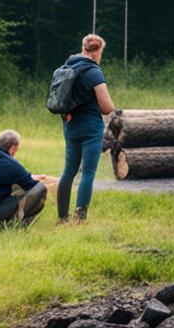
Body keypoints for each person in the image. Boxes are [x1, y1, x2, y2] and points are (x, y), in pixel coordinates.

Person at [58, 34, 114, 223]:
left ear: (83, 48)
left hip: (71, 127)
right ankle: (79, 218)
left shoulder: (67, 66)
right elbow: (106, 107)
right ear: (97, 51)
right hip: (91, 129)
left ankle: (62, 218)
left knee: (68, 172)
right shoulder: (93, 72)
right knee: (88, 173)